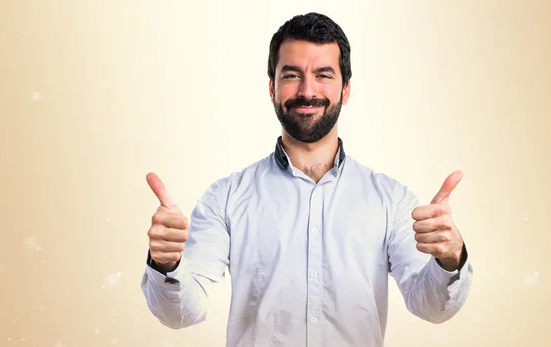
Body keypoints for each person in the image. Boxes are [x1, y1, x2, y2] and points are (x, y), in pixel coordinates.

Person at [140, 12, 473, 347]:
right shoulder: (226, 197)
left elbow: (431, 306)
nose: (307, 90)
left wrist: (449, 257)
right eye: (292, 75)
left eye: (323, 74)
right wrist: (167, 264)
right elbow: (180, 314)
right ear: (272, 88)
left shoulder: (392, 201)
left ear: (346, 89)